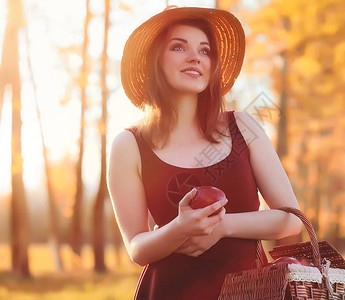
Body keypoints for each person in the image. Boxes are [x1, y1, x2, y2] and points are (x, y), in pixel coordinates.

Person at [108, 6, 302, 300]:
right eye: (178, 47)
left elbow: (291, 218)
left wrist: (222, 226)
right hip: (171, 291)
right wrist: (179, 229)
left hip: (251, 292)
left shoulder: (243, 126)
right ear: (154, 60)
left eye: (205, 50)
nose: (195, 57)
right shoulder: (129, 145)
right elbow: (136, 247)